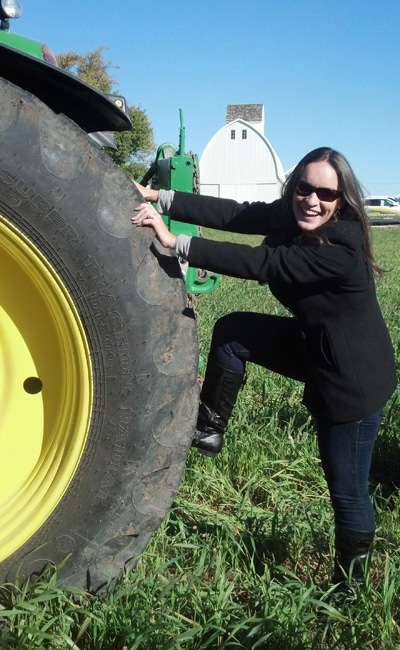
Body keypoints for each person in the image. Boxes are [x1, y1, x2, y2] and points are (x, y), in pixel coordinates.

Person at [132, 147, 397, 594]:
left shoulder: (341, 247)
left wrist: (174, 241)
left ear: (342, 199)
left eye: (325, 193)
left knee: (347, 490)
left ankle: (351, 591)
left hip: (351, 380)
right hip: (316, 347)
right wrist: (157, 196)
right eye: (304, 188)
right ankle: (209, 428)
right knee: (234, 331)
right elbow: (237, 214)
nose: (312, 200)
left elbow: (262, 264)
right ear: (294, 187)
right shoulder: (290, 216)